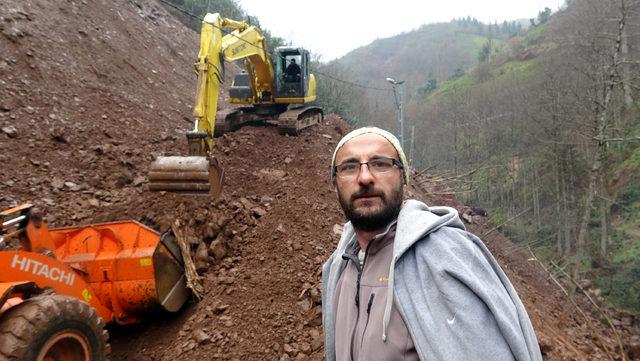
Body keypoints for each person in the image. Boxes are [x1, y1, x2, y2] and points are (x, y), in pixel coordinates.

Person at [321, 127, 542, 361]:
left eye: (381, 163)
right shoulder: (340, 267)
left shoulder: (446, 257)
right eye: (349, 167)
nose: (364, 177)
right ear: (335, 184)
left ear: (403, 177)